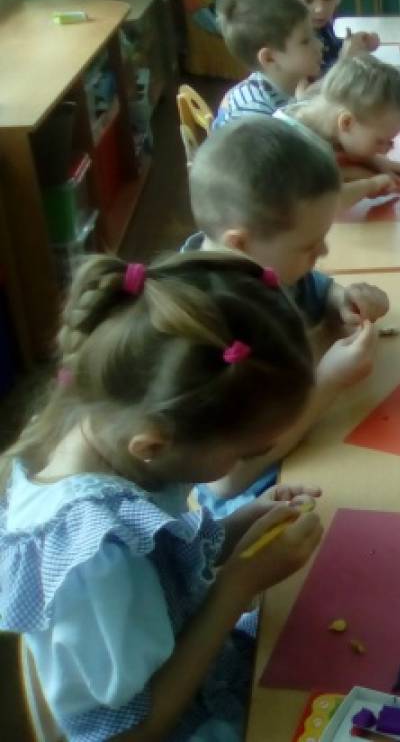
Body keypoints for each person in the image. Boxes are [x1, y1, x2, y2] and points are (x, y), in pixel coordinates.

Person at [0, 252, 323, 740]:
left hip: (197, 664)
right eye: (243, 453)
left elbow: (162, 563)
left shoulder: (102, 431)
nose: (246, 462)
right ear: (153, 446)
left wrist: (239, 527)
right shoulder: (97, 559)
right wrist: (238, 586)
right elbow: (130, 732)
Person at [186, 116, 388, 510]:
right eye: (309, 245)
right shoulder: (200, 328)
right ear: (239, 244)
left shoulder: (261, 265)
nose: (323, 253)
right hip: (253, 505)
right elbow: (224, 482)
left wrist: (343, 299)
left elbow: (315, 285)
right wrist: (329, 382)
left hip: (311, 443)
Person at [283, 54, 400, 206]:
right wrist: (370, 185)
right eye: (379, 141)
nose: (386, 150)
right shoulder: (297, 148)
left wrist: (382, 163)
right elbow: (327, 202)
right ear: (346, 122)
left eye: (389, 142)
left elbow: (341, 154)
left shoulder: (321, 121)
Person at [212, 0, 321, 130]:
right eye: (305, 41)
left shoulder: (289, 84)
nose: (319, 45)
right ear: (269, 58)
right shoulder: (255, 114)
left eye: (314, 34)